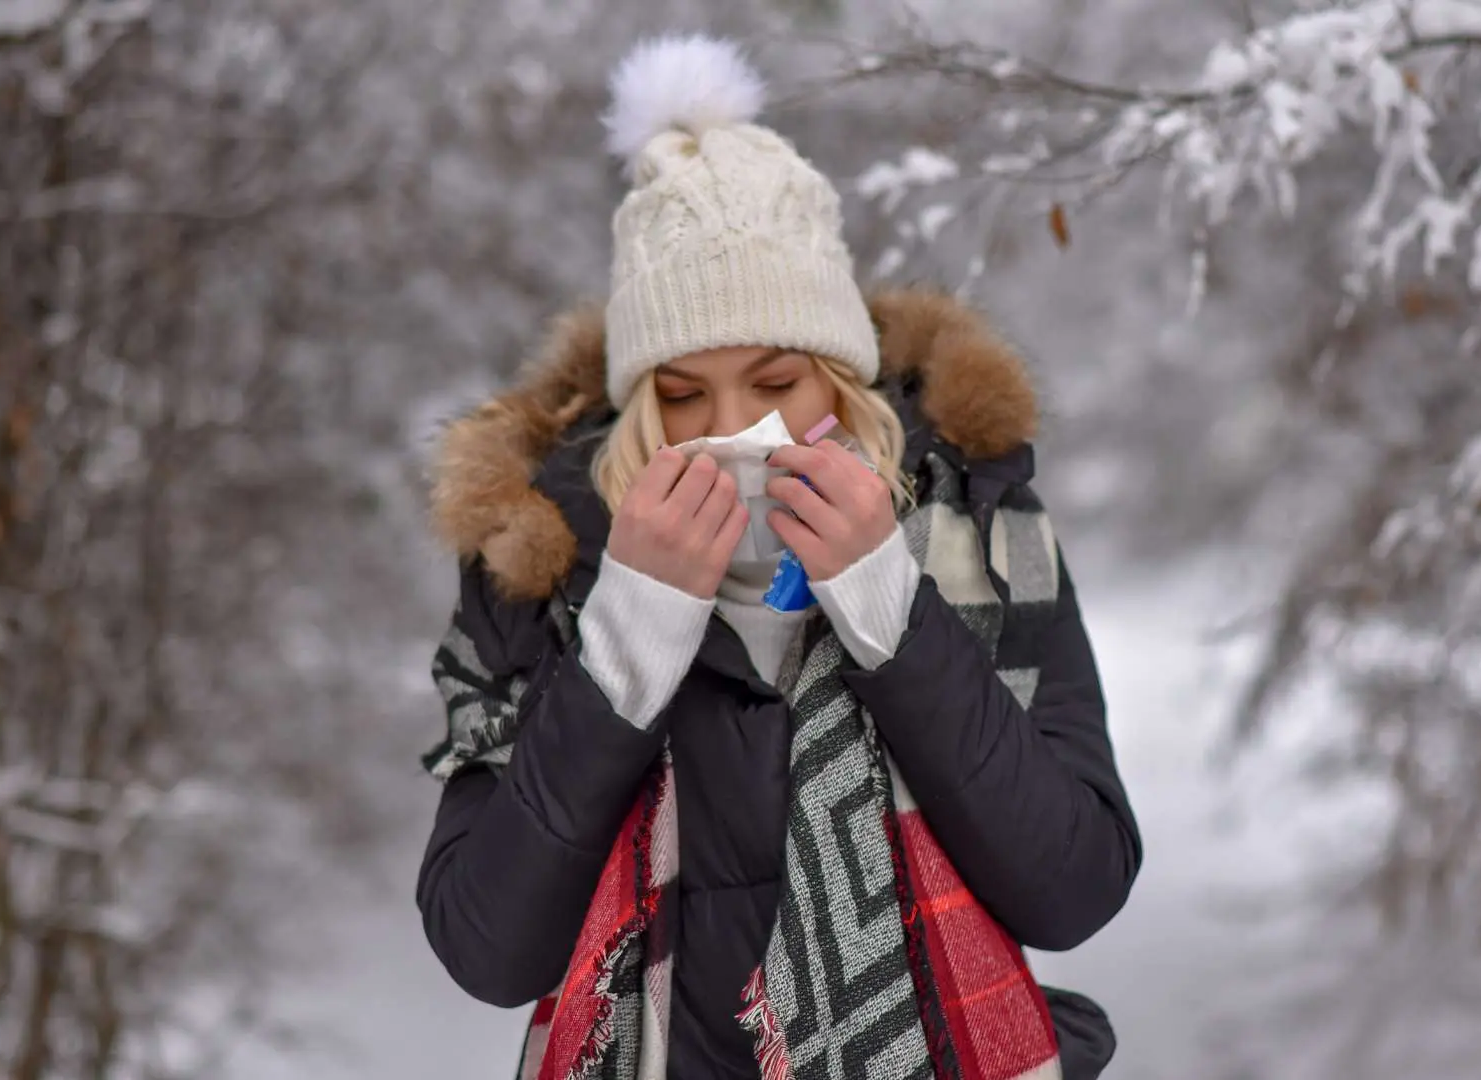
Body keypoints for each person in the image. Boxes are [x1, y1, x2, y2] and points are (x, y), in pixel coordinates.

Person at [416, 34, 1142, 1080]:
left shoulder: (980, 530)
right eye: (681, 396)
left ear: (842, 381)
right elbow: (487, 947)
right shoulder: (537, 570)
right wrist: (625, 641)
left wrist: (889, 604)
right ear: (635, 408)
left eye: (776, 383)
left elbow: (1073, 888)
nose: (733, 428)